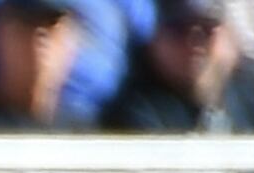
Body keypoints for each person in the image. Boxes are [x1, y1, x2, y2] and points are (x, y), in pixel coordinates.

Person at [102, 0, 240, 119]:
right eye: (180, 30)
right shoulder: (134, 110)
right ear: (155, 38)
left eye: (207, 29)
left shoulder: (246, 101)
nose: (195, 42)